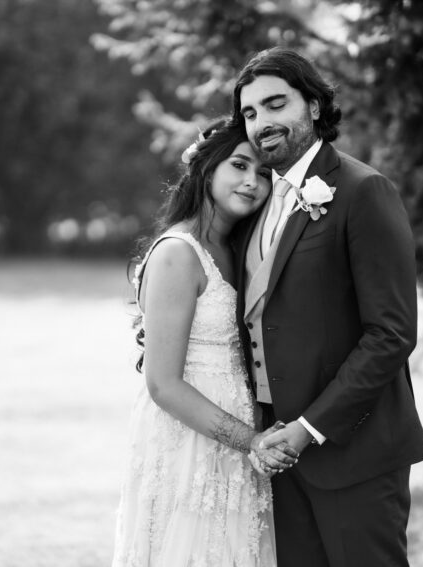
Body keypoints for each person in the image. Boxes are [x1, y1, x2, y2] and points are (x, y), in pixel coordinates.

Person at [231, 48, 423, 567]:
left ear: (315, 106)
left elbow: (391, 334)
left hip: (353, 453)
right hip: (276, 455)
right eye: (250, 113)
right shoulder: (255, 205)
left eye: (276, 104)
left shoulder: (363, 191)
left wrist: (309, 427)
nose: (261, 123)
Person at [112, 118, 298, 567]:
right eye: (239, 165)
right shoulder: (179, 252)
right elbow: (163, 384)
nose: (252, 182)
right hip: (188, 442)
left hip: (239, 441)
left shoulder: (239, 250)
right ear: (207, 168)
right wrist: (249, 441)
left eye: (264, 175)